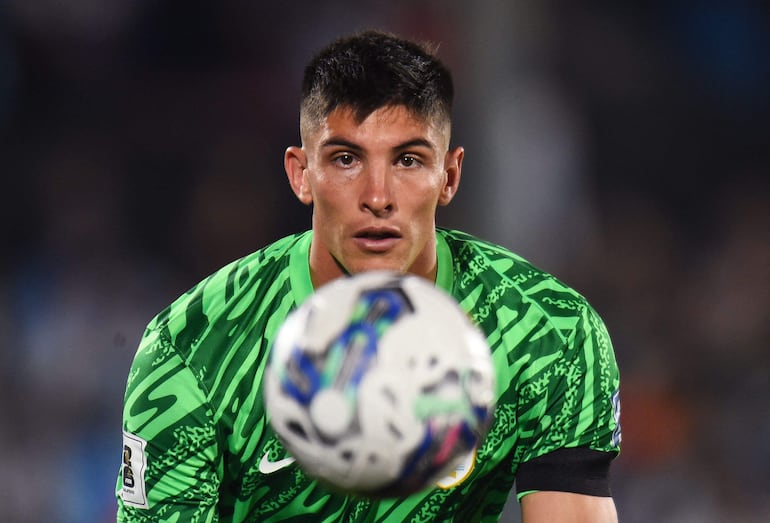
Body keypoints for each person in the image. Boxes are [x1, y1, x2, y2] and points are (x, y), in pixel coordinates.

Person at [116, 30, 621, 522]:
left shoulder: (548, 332)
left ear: (450, 176)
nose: (378, 197)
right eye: (346, 159)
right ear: (301, 174)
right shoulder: (192, 351)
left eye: (408, 160)